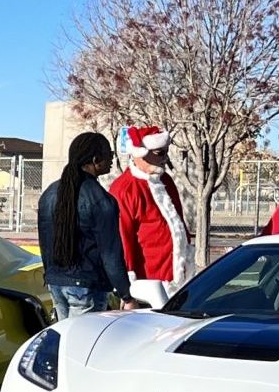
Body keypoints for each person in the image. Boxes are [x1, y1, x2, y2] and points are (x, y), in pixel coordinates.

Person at [36, 131, 129, 319]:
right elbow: (110, 253)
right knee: (83, 345)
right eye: (109, 154)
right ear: (96, 159)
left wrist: (52, 275)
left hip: (56, 282)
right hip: (87, 285)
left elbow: (45, 244)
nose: (112, 159)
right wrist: (125, 294)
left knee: (67, 343)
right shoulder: (101, 200)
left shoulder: (49, 194)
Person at [108, 125, 196, 308]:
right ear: (140, 153)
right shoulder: (124, 189)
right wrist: (128, 292)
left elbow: (177, 224)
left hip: (178, 278)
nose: (164, 158)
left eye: (165, 152)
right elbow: (123, 241)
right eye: (159, 153)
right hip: (150, 284)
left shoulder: (166, 181)